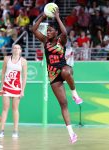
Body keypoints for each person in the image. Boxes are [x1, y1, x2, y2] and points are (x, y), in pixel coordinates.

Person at [32, 9, 83, 143]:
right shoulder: (45, 41)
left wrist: (58, 17)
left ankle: (75, 94)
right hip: (53, 75)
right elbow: (33, 29)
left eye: (50, 30)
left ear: (56, 32)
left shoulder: (62, 40)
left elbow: (64, 32)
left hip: (65, 69)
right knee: (63, 104)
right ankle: (71, 134)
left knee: (66, 72)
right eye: (47, 31)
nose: (47, 32)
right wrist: (42, 16)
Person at [0, 44, 27, 138]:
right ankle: (1, 130)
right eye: (15, 48)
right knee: (5, 109)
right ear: (12, 49)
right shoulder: (6, 59)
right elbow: (2, 73)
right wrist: (1, 87)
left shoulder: (23, 61)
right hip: (6, 86)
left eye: (18, 48)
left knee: (15, 109)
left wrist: (22, 90)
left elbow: (24, 77)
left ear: (21, 50)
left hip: (17, 88)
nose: (16, 49)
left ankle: (15, 130)